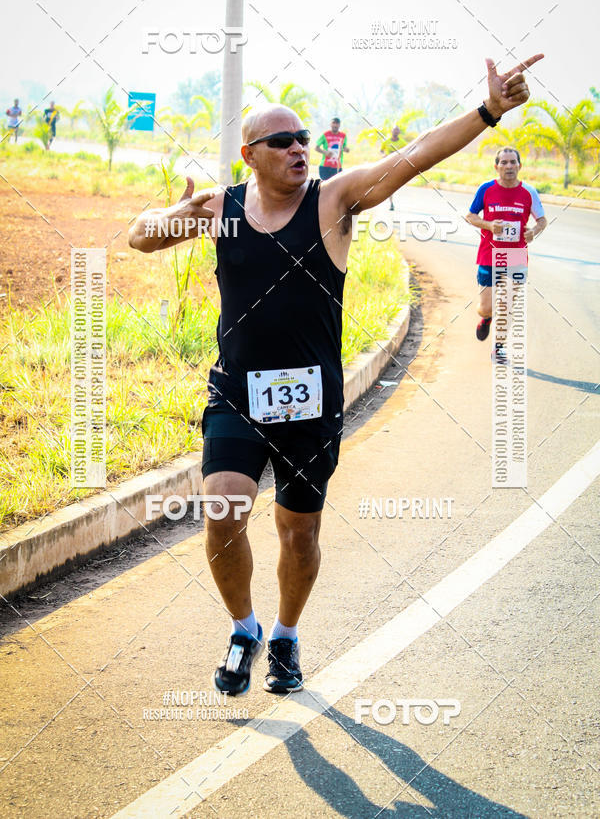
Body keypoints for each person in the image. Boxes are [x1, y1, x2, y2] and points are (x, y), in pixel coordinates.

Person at [129, 53, 543, 696]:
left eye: (304, 138)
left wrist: (489, 111)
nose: (300, 148)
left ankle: (287, 638)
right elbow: (140, 237)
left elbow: (414, 156)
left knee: (298, 534)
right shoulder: (222, 208)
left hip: (311, 406)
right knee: (222, 510)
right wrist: (169, 217)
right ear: (250, 155)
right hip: (236, 396)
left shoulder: (333, 201)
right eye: (283, 141)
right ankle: (244, 628)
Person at [466, 147, 547, 362]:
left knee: (507, 305)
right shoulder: (486, 189)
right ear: (496, 166)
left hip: (516, 256)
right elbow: (470, 216)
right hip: (489, 255)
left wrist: (533, 232)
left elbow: (542, 221)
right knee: (486, 308)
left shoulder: (528, 191)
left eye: (513, 162)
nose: (509, 166)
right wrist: (489, 225)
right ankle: (485, 319)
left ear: (520, 166)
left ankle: (499, 347)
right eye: (504, 162)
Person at [380, 125, 402, 210]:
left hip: (398, 166)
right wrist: (383, 155)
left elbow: (407, 151)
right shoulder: (386, 141)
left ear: (399, 132)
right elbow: (381, 150)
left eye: (397, 130)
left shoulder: (403, 143)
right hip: (388, 166)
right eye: (394, 130)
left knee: (394, 185)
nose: (395, 132)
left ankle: (392, 202)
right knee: (390, 185)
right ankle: (391, 203)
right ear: (391, 131)